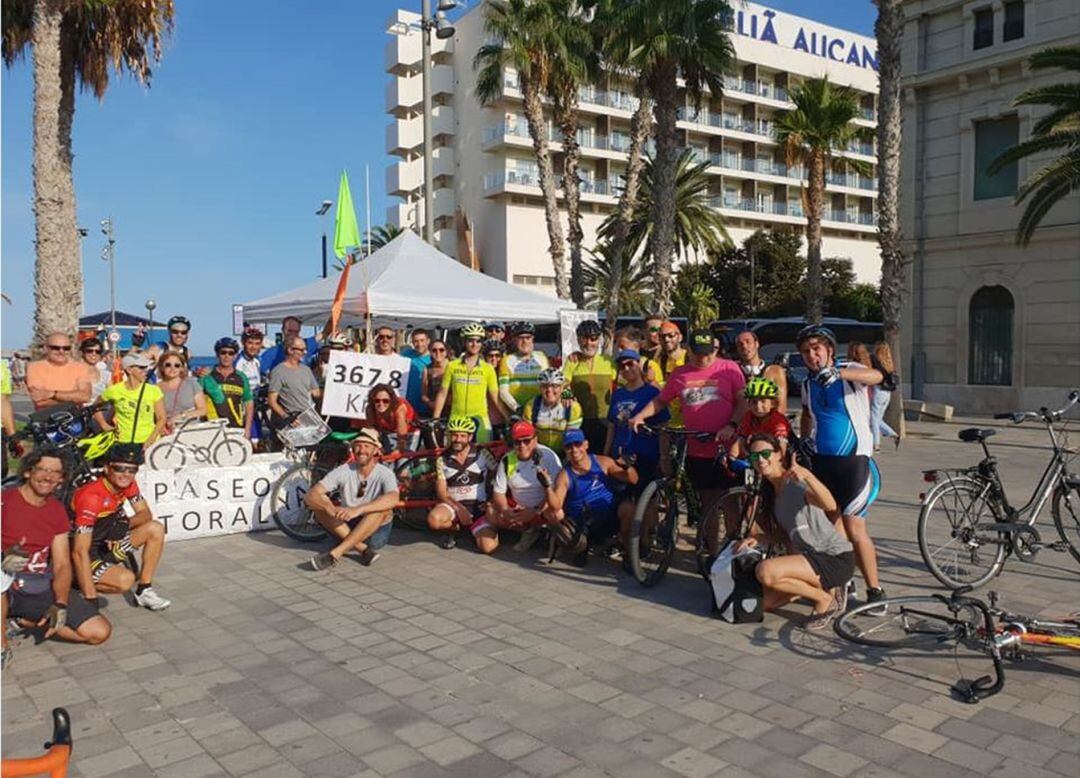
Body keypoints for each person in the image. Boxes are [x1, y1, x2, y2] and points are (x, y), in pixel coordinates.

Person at [797, 324, 886, 611]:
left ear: (829, 351)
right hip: (824, 463)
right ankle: (846, 583)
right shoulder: (808, 383)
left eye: (817, 349)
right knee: (832, 527)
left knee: (855, 527)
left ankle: (876, 593)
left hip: (854, 462)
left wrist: (841, 373)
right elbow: (808, 414)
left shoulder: (849, 370)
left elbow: (877, 376)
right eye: (806, 351)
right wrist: (803, 439)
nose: (812, 356)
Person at [2, 449, 112, 664]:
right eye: (42, 469)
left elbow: (61, 564)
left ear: (62, 479)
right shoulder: (5, 501)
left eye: (55, 472)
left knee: (99, 632)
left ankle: (23, 622)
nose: (48, 477)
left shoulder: (56, 511)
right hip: (5, 584)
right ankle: (2, 646)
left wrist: (60, 604)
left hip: (35, 585)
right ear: (27, 472)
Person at [735, 433, 853, 631]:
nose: (761, 460)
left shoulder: (796, 482)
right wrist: (759, 539)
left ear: (779, 454)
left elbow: (830, 505)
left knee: (765, 571)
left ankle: (824, 599)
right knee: (765, 604)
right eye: (755, 457)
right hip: (808, 559)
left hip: (833, 557)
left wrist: (808, 476)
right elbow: (786, 535)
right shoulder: (771, 492)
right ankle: (824, 588)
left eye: (765, 453)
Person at [630, 329, 746, 525]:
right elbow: (661, 401)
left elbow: (743, 402)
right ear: (689, 351)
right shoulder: (680, 374)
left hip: (726, 446)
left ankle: (732, 549)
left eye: (708, 353)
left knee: (729, 502)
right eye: (699, 353)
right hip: (696, 448)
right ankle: (710, 551)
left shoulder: (730, 368)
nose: (704, 358)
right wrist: (640, 416)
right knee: (707, 503)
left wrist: (731, 425)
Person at [70, 444, 171, 611]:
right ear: (107, 467)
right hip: (85, 554)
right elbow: (79, 551)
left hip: (105, 544)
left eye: (132, 470)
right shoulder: (92, 496)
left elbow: (145, 514)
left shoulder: (127, 483)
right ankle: (76, 584)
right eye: (119, 468)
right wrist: (91, 599)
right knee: (126, 580)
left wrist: (124, 525)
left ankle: (144, 591)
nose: (126, 474)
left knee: (155, 528)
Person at [305, 429, 400, 570]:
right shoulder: (343, 470)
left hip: (374, 533)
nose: (362, 450)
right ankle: (362, 549)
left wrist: (358, 510)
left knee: (381, 509)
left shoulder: (385, 473)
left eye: (367, 446)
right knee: (320, 507)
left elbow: (394, 499)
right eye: (358, 445)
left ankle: (336, 554)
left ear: (375, 451)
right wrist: (331, 509)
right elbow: (311, 495)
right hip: (347, 525)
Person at [546, 429, 639, 561]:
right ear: (565, 450)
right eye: (569, 446)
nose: (574, 449)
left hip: (609, 515)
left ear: (586, 445)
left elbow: (633, 479)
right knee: (554, 514)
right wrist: (547, 486)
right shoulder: (564, 475)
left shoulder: (602, 462)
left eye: (577, 444)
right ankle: (579, 546)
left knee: (629, 508)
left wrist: (627, 467)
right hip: (582, 524)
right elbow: (556, 506)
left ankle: (627, 551)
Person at [486, 420, 563, 553]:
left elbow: (557, 492)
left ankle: (552, 537)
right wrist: (505, 510)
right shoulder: (507, 459)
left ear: (535, 439)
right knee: (491, 512)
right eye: (517, 442)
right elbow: (498, 492)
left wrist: (535, 510)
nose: (522, 445)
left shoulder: (548, 456)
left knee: (557, 514)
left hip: (542, 507)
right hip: (518, 507)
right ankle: (529, 531)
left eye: (526, 441)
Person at [426, 416, 499, 552]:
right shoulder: (442, 459)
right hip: (453, 506)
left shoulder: (482, 453)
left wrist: (491, 501)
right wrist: (459, 509)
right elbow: (442, 493)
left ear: (470, 437)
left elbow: (500, 477)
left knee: (488, 548)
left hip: (479, 507)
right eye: (454, 435)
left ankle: (476, 530)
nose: (457, 439)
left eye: (462, 436)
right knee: (434, 520)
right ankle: (455, 529)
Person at [432, 323, 504, 443]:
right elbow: (442, 394)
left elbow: (496, 398)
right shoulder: (452, 366)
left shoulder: (487, 368)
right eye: (470, 340)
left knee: (483, 457)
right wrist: (435, 420)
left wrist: (508, 419)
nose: (474, 344)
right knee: (453, 458)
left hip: (480, 420)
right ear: (464, 342)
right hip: (456, 419)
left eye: (478, 341)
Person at [606, 349, 669, 486]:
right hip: (620, 454)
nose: (626, 368)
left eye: (630, 364)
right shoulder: (617, 394)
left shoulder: (652, 392)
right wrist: (606, 452)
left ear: (639, 365)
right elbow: (612, 426)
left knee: (645, 498)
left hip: (646, 454)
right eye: (622, 366)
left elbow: (663, 426)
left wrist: (664, 457)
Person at [563, 319, 617, 451]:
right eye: (584, 339)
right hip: (581, 422)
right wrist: (567, 395)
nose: (589, 343)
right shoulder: (572, 362)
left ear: (599, 340)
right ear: (578, 340)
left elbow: (619, 386)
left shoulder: (608, 362)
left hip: (606, 422)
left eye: (593, 339)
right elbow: (564, 384)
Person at [95, 352, 167, 447]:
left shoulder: (153, 390)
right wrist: (104, 425)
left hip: (147, 443)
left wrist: (151, 439)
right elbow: (95, 407)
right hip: (122, 442)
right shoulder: (114, 391)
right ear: (129, 370)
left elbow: (162, 418)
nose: (145, 370)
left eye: (146, 367)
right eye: (141, 367)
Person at [200, 337, 254, 437]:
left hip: (236, 428)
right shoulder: (207, 376)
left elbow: (249, 404)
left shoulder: (241, 377)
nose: (226, 356)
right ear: (217, 354)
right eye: (223, 352)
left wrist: (248, 430)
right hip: (212, 430)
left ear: (235, 356)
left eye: (231, 353)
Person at [25, 332, 93, 411]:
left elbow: (85, 396)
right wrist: (75, 399)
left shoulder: (81, 367)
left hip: (74, 418)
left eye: (66, 348)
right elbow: (40, 401)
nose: (61, 351)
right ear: (46, 348)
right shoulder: (35, 368)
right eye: (55, 348)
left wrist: (52, 394)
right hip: (46, 419)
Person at [523, 368, 582, 457]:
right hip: (539, 453)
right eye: (545, 386)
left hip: (564, 453)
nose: (549, 390)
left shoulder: (573, 407)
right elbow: (528, 437)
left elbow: (572, 440)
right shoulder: (531, 406)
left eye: (555, 386)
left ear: (562, 387)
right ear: (540, 387)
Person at [497, 322, 550, 416]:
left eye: (528, 338)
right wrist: (517, 408)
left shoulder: (542, 357)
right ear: (514, 340)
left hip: (541, 411)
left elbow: (550, 383)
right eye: (520, 338)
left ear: (533, 339)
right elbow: (503, 392)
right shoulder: (507, 360)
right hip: (517, 412)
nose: (525, 341)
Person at [731, 377, 792, 459]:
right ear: (748, 404)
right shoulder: (749, 416)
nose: (758, 406)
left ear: (772, 403)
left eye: (763, 401)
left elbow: (782, 448)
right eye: (754, 402)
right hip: (760, 454)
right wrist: (731, 457)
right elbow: (740, 440)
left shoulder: (778, 421)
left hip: (781, 457)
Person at [267, 336, 321, 427]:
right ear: (290, 350)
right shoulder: (278, 371)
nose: (305, 352)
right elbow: (272, 401)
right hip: (289, 420)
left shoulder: (306, 369)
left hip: (307, 418)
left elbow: (316, 393)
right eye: (301, 350)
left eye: (305, 349)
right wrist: (286, 417)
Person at [734, 330, 788, 415]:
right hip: (740, 424)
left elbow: (781, 405)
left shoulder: (775, 371)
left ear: (757, 344)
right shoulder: (733, 371)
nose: (744, 346)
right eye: (740, 344)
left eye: (748, 342)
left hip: (768, 423)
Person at [156, 352, 206, 435]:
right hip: (168, 434)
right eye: (168, 365)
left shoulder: (191, 383)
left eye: (177, 365)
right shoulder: (156, 388)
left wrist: (181, 416)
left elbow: (203, 410)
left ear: (182, 368)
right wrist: (160, 427)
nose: (172, 368)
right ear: (162, 367)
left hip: (191, 431)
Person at [363, 383, 419, 453]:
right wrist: (377, 446)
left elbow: (402, 437)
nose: (381, 404)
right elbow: (371, 431)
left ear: (391, 400)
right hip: (387, 433)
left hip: (408, 433)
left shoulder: (399, 409)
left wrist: (397, 451)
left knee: (402, 460)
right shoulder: (370, 409)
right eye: (377, 400)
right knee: (382, 458)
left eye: (385, 401)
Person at [872, 342, 900, 451]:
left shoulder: (875, 361)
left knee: (874, 419)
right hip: (887, 393)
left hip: (878, 390)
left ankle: (876, 445)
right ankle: (893, 434)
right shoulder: (889, 363)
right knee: (877, 419)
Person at [401, 328, 433, 415]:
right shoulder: (406, 354)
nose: (419, 344)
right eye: (416, 341)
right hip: (405, 406)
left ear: (428, 341)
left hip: (425, 408)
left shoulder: (434, 359)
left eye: (422, 340)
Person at [421, 339, 451, 418]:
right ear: (430, 352)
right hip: (433, 411)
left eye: (441, 350)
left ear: (446, 351)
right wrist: (431, 403)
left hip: (452, 410)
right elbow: (423, 395)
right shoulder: (427, 370)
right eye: (434, 350)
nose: (438, 353)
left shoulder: (453, 366)